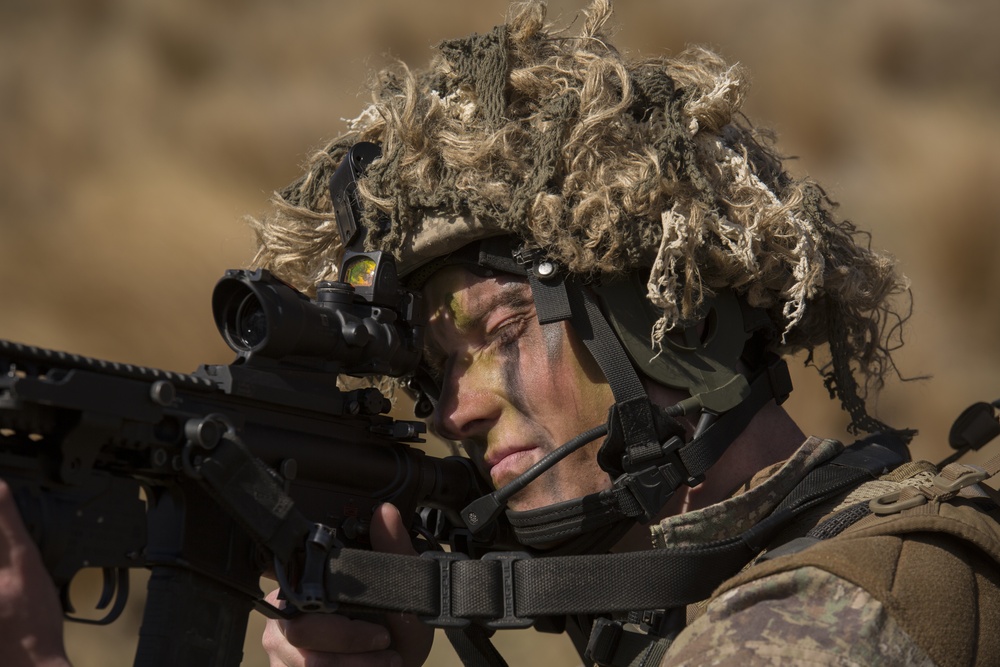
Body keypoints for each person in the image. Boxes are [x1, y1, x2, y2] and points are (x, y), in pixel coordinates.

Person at [2, 1, 999, 666]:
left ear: (669, 322)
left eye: (505, 329)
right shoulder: (724, 597)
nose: (455, 408)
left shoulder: (826, 625)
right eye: (432, 370)